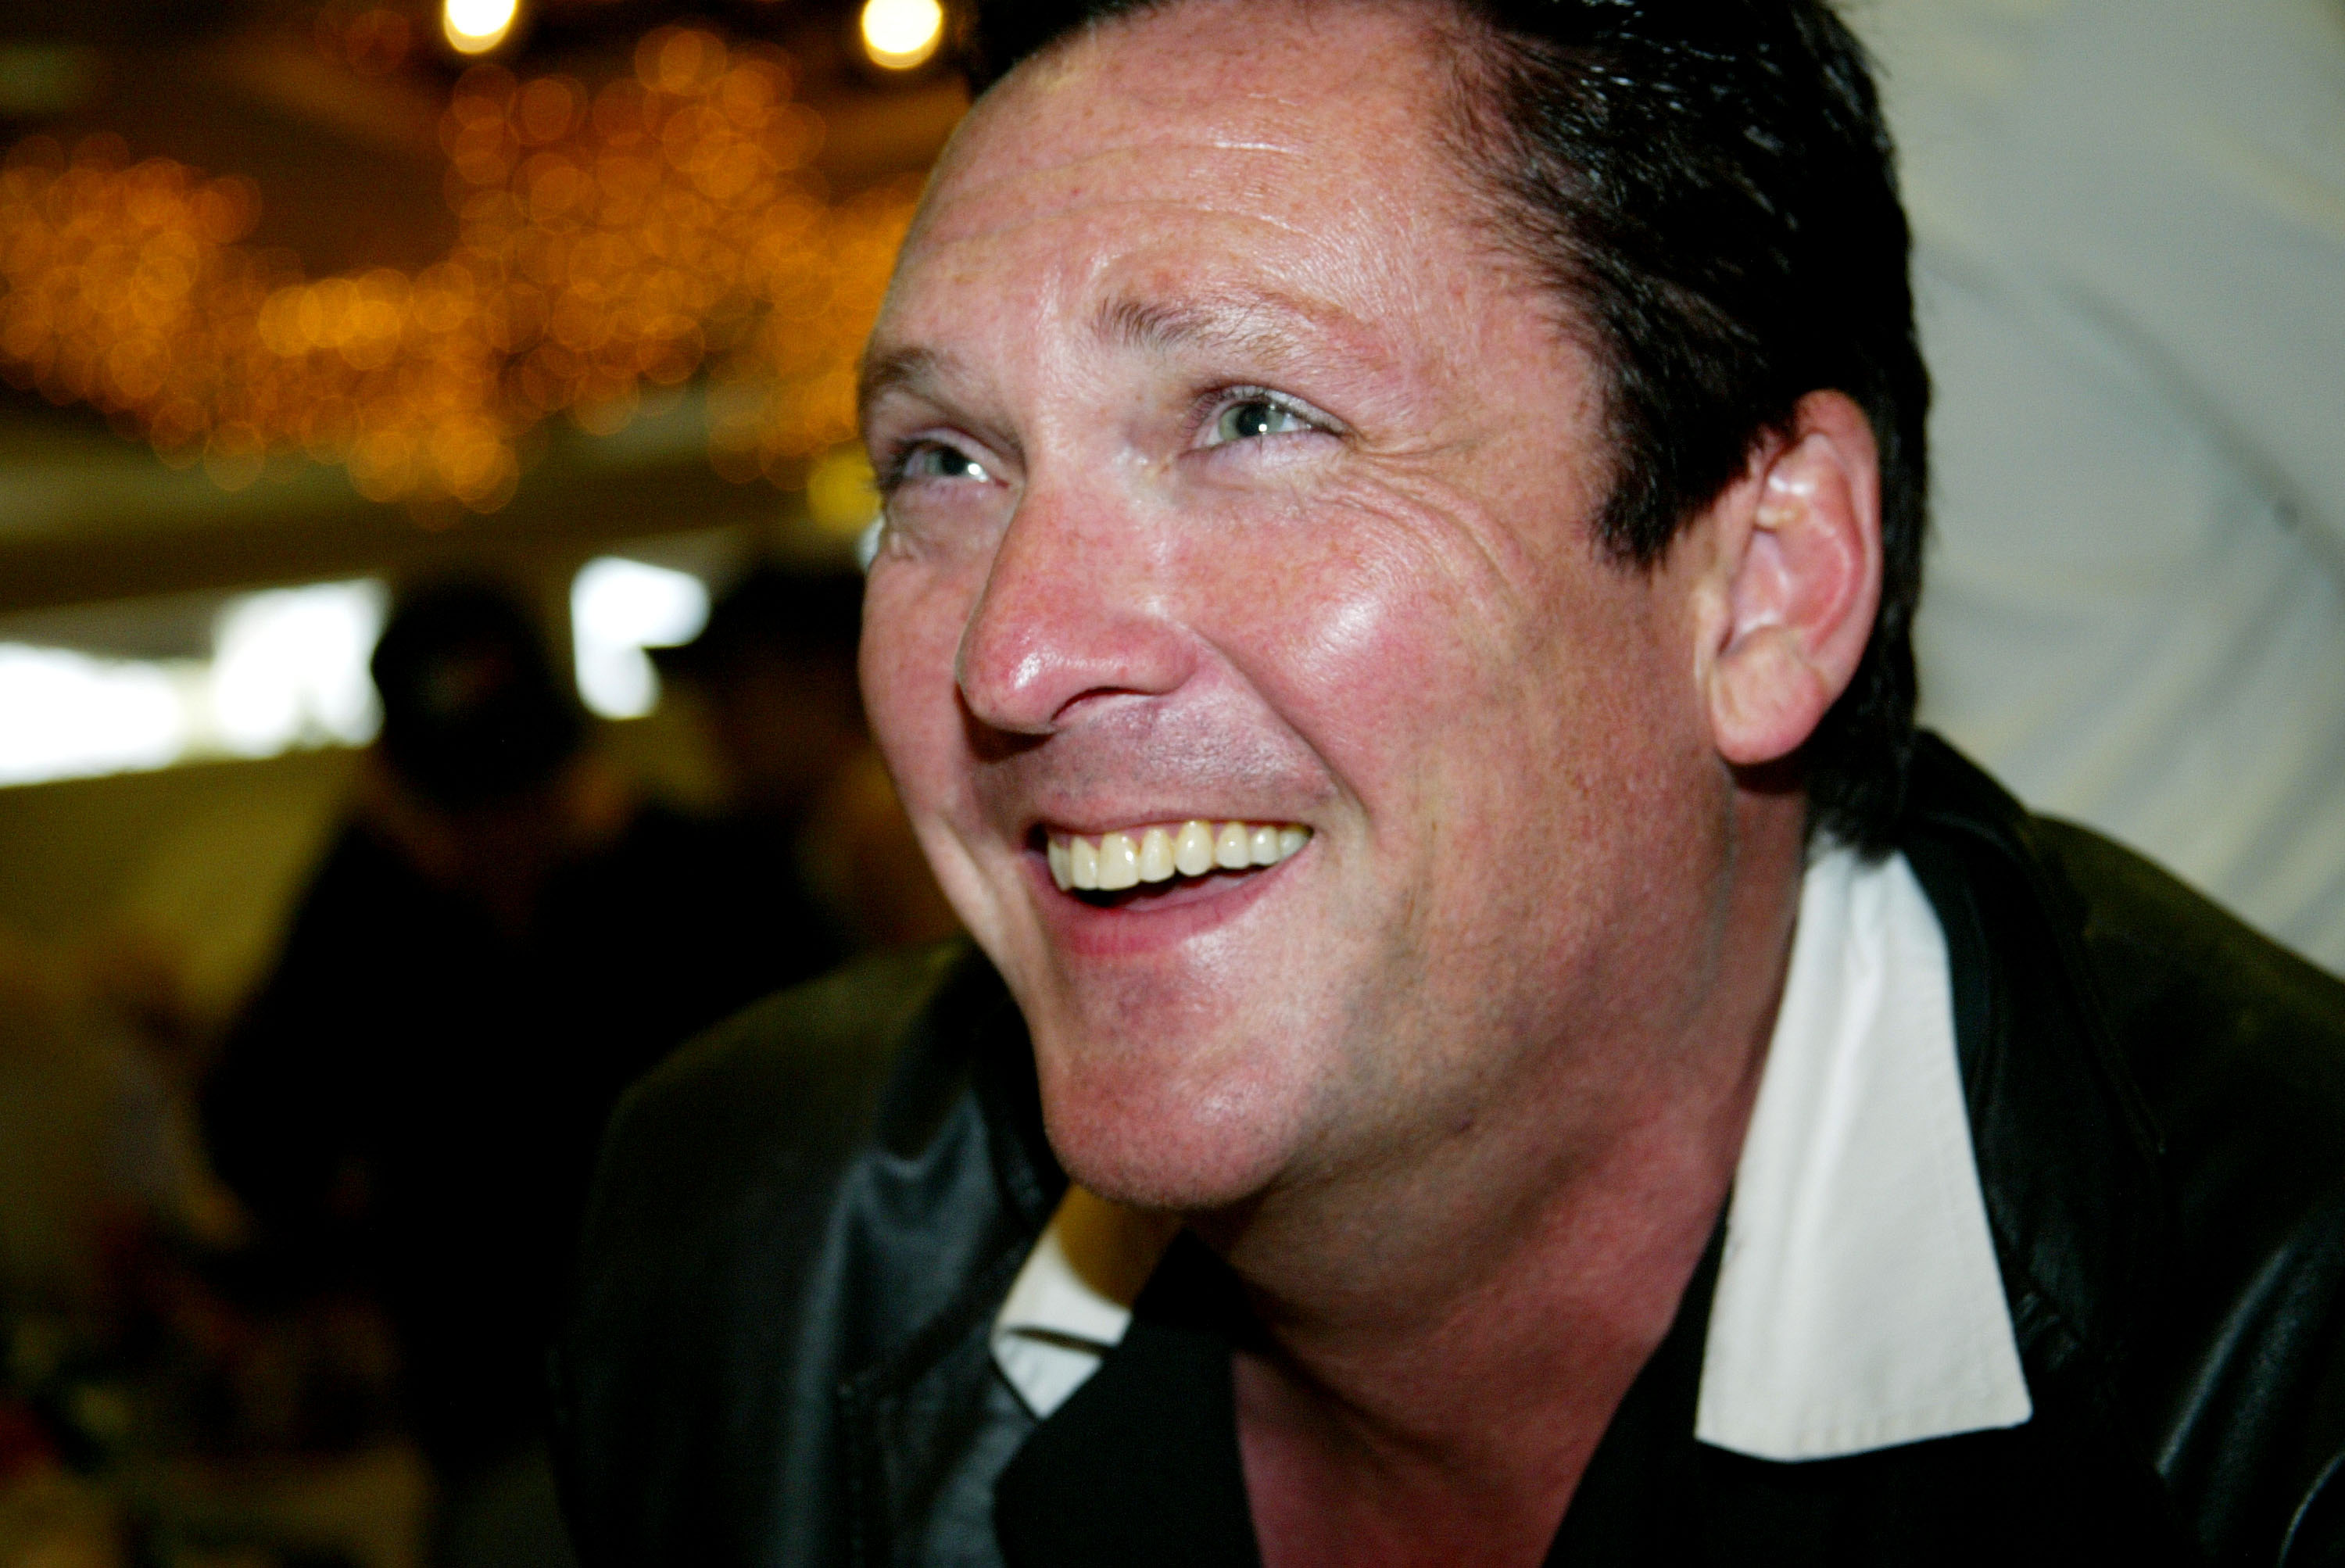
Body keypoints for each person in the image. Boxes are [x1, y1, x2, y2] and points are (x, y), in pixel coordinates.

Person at [550, 2, 2345, 1563]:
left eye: (1253, 417)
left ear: (1763, 583)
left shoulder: (2287, 1376)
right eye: (943, 461)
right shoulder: (747, 1254)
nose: (1010, 660)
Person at [204, 579, 842, 1565]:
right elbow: (258, 1152)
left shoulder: (707, 886)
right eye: (464, 802)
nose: (502, 830)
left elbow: (834, 1121)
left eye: (522, 788)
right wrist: (360, 872)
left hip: (735, 1416)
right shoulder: (378, 933)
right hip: (493, 1435)